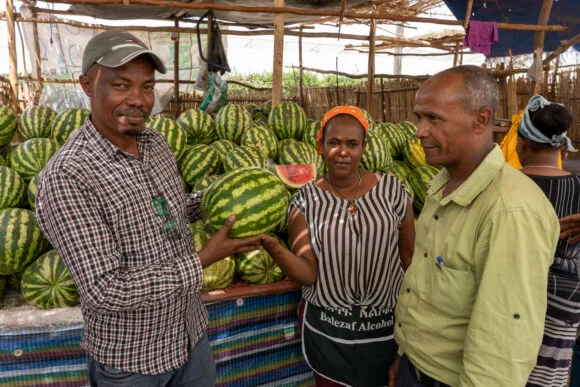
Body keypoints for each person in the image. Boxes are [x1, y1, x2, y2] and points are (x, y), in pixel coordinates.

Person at [35, 30, 262, 387]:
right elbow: (105, 289)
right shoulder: (69, 176)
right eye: (121, 85)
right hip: (134, 362)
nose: (138, 99)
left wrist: (218, 200)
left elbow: (167, 212)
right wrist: (202, 259)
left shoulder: (155, 143)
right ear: (86, 85)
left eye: (146, 86)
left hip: (191, 338)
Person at [391, 65, 560, 387]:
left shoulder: (510, 211)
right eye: (419, 118)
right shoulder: (443, 183)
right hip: (417, 367)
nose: (419, 131)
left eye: (434, 119)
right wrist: (406, 357)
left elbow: (504, 342)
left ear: (481, 120)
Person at [260, 106, 415, 387]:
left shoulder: (394, 191)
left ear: (364, 147)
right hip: (328, 334)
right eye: (334, 143)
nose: (343, 151)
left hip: (387, 331)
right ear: (320, 146)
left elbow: (410, 263)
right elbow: (308, 273)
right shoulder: (303, 201)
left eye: (352, 144)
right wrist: (274, 248)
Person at [514, 95, 580, 387]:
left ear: (522, 143)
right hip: (565, 302)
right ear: (559, 145)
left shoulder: (506, 185)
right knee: (548, 379)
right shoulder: (578, 185)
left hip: (513, 297)